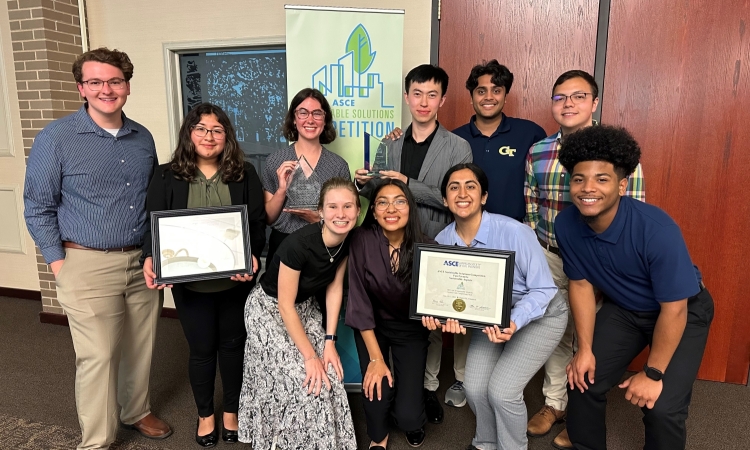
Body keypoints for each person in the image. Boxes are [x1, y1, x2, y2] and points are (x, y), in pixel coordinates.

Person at [23, 47, 172, 449]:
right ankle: (97, 440)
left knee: (141, 345)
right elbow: (37, 206)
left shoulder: (143, 137)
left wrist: (154, 253)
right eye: (96, 82)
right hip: (85, 261)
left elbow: (151, 200)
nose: (106, 89)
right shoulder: (56, 138)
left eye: (115, 81)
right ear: (81, 88)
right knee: (99, 355)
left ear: (126, 86)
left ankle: (135, 410)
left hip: (141, 262)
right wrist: (59, 264)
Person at [555, 125, 713, 450]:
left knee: (662, 406)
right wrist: (584, 350)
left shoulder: (657, 230)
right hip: (627, 308)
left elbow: (675, 308)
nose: (588, 188)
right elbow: (581, 284)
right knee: (582, 379)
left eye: (602, 179)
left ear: (622, 185)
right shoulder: (566, 224)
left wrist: (652, 373)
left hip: (681, 310)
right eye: (579, 179)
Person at [524, 70, 646, 449]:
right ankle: (555, 403)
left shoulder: (618, 152)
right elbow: (531, 202)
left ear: (594, 103)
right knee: (554, 332)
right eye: (560, 97)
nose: (569, 104)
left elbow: (635, 210)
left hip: (599, 262)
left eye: (578, 96)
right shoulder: (539, 151)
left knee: (590, 335)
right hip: (552, 256)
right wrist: (535, 246)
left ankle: (580, 414)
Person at [141, 103, 266, 447]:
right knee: (201, 349)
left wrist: (252, 257)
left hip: (233, 282)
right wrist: (152, 257)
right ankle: (205, 414)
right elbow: (153, 224)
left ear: (227, 137)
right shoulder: (167, 175)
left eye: (217, 130)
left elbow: (256, 224)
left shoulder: (245, 174)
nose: (208, 137)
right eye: (201, 129)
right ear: (189, 134)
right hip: (189, 283)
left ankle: (231, 412)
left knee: (232, 346)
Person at [356, 64, 472, 423]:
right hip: (392, 243)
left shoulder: (458, 146)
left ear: (443, 99)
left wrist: (408, 183)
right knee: (396, 314)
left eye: (432, 95)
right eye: (417, 94)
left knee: (431, 321)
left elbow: (457, 199)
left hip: (435, 241)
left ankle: (427, 389)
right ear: (407, 97)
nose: (424, 102)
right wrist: (363, 183)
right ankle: (403, 388)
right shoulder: (389, 142)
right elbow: (379, 191)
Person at [423, 163, 567, 450]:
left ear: (484, 196)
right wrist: (447, 318)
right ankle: (485, 443)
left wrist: (513, 322)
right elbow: (451, 299)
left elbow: (544, 289)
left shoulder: (515, 232)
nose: (462, 193)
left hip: (541, 315)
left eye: (471, 186)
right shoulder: (442, 242)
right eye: (454, 187)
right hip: (491, 321)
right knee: (475, 388)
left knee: (502, 391)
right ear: (444, 199)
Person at [238, 177, 359, 449]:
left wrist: (329, 342)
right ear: (321, 211)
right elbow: (284, 304)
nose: (341, 214)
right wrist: (310, 356)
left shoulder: (348, 239)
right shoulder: (298, 244)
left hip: (304, 308)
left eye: (348, 206)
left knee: (331, 372)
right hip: (268, 311)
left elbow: (335, 288)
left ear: (358, 211)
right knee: (305, 379)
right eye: (333, 207)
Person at [346, 179, 433, 449]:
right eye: (382, 202)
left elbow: (436, 302)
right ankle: (379, 434)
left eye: (399, 201)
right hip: (372, 327)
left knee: (408, 417)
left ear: (410, 207)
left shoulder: (427, 246)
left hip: (410, 330)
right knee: (376, 392)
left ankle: (413, 402)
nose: (390, 208)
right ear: (373, 211)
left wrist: (437, 319)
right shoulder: (361, 240)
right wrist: (375, 358)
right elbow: (359, 302)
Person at [452, 60, 547, 222]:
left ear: (505, 97)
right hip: (466, 230)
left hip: (516, 231)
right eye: (481, 91)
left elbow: (543, 189)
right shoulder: (454, 138)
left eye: (496, 91)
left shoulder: (530, 133)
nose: (489, 97)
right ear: (471, 97)